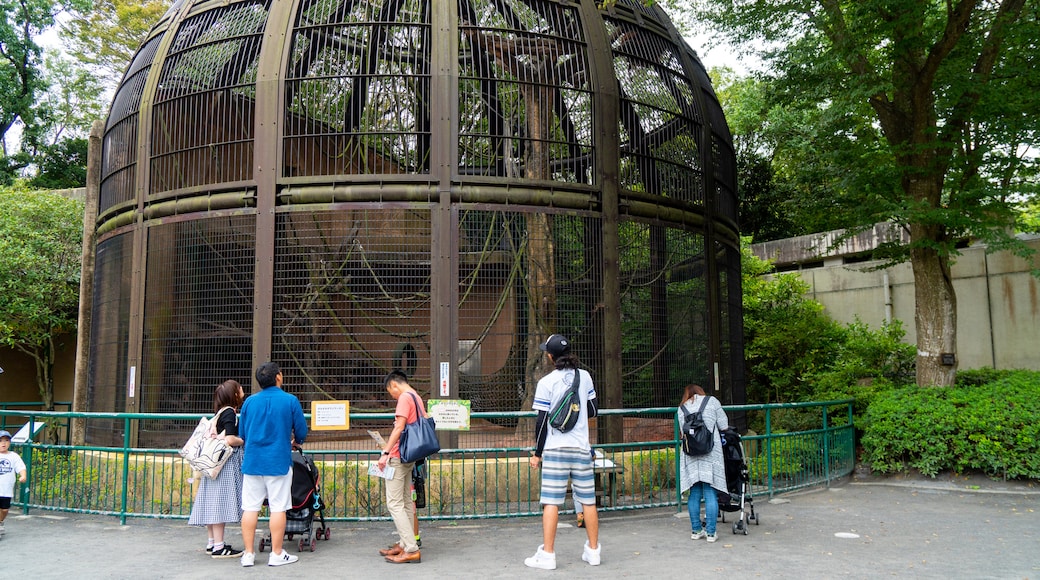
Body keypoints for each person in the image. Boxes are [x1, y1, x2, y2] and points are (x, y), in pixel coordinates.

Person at [525, 334, 601, 569]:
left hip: (556, 449)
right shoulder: (585, 377)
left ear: (550, 356)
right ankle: (594, 551)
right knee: (588, 501)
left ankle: (548, 555)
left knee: (551, 502)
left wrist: (537, 454)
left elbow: (541, 422)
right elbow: (592, 410)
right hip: (580, 447)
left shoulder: (547, 382)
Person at [238, 362, 309, 567]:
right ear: (279, 376)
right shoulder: (290, 401)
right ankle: (276, 554)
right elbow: (301, 432)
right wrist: (296, 442)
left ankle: (249, 554)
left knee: (250, 508)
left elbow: (242, 434)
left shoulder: (250, 402)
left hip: (252, 462)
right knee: (278, 507)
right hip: (278, 462)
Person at [188, 380, 246, 558]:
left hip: (211, 465)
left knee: (212, 501)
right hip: (223, 466)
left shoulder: (219, 413)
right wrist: (242, 440)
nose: (242, 390)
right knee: (219, 504)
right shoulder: (229, 413)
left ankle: (212, 543)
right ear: (234, 394)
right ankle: (220, 547)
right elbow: (229, 439)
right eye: (239, 388)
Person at [375, 370, 424, 564]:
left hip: (397, 456)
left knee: (394, 503)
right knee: (405, 502)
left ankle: (410, 548)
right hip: (410, 457)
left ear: (394, 385)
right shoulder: (417, 396)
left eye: (390, 392)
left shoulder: (404, 397)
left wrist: (385, 452)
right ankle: (405, 544)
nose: (392, 396)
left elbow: (399, 427)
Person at [677, 383, 729, 543]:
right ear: (701, 392)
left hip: (691, 455)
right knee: (710, 491)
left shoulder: (681, 408)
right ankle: (711, 533)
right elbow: (724, 425)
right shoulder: (712, 402)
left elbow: (682, 432)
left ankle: (696, 530)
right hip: (710, 453)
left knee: (695, 493)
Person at [0, 430, 27, 539]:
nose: (3, 443)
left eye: (6, 440)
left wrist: (23, 475)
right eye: (1, 441)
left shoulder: (13, 456)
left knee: (4, 509)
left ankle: (1, 521)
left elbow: (21, 467)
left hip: (6, 489)